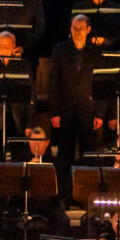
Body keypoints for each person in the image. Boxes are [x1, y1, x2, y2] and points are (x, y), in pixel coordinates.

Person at [46, 13, 99, 164]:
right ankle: (63, 185)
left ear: (88, 29)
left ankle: (87, 186)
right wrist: (54, 112)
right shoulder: (60, 49)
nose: (77, 32)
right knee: (64, 154)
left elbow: (100, 83)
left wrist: (99, 114)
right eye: (74, 28)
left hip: (88, 109)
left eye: (81, 28)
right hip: (65, 109)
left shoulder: (96, 51)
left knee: (89, 153)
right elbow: (54, 81)